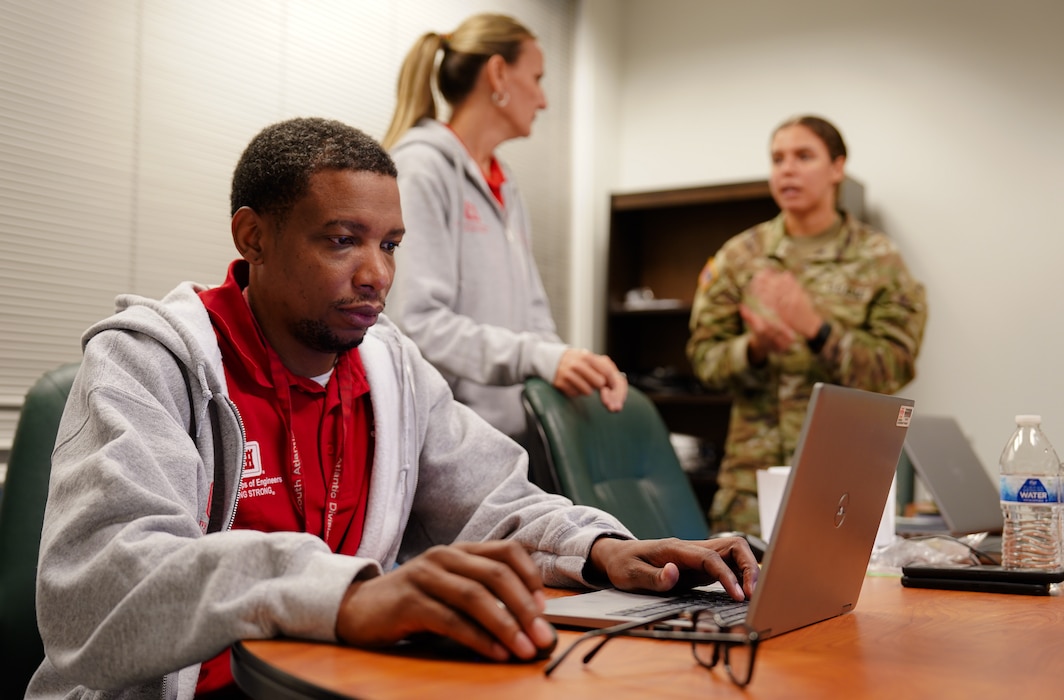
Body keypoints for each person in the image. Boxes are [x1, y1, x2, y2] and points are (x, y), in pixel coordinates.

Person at [27, 117, 758, 699]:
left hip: (341, 683)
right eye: (342, 241)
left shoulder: (391, 367)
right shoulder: (148, 362)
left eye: (391, 244)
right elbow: (99, 584)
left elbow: (495, 503)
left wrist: (605, 551)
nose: (377, 275)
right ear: (254, 237)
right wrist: (341, 596)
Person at [381, 13, 627, 447]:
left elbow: (534, 318)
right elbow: (420, 323)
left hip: (512, 435)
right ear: (498, 73)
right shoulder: (421, 168)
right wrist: (540, 358)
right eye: (536, 77)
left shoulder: (505, 184)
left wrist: (571, 365)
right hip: (448, 440)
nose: (544, 100)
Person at [686, 115, 927, 535]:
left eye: (804, 156)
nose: (788, 169)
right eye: (778, 159)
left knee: (850, 600)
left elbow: (894, 367)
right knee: (737, 596)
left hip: (842, 483)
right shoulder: (739, 256)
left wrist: (817, 330)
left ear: (837, 168)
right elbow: (703, 360)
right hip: (750, 487)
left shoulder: (879, 259)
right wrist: (754, 348)